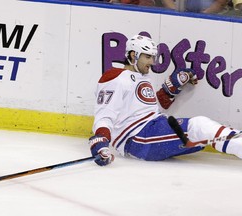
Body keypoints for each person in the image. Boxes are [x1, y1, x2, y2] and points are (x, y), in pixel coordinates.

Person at [88, 34, 242, 166]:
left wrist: (170, 89)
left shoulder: (142, 77)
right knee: (198, 127)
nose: (151, 62)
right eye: (147, 56)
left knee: (201, 132)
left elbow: (150, 108)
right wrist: (101, 142)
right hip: (137, 139)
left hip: (152, 129)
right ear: (134, 55)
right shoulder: (115, 78)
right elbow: (104, 113)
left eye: (153, 57)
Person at [160, 0, 229, 14]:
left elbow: (221, 2)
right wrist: (176, 13)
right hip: (181, 12)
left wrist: (203, 16)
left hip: (212, 14)